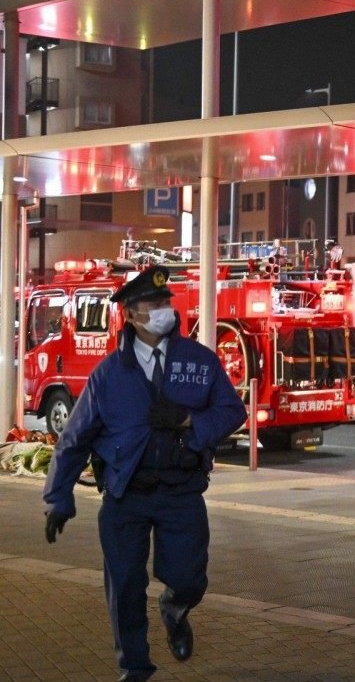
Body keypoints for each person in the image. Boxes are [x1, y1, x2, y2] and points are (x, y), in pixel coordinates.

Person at [42, 265, 247, 682]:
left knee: (190, 577)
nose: (163, 310)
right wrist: (58, 497)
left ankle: (175, 607)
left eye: (165, 302)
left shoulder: (199, 361)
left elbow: (233, 411)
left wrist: (189, 421)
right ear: (132, 315)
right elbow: (75, 438)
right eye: (152, 305)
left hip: (181, 491)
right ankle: (134, 666)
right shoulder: (109, 374)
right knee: (124, 587)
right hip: (125, 494)